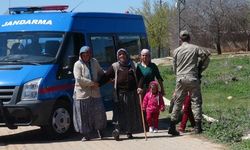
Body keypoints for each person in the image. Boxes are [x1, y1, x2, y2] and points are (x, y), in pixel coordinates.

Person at [168, 30, 210, 136]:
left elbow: (174, 67)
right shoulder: (195, 48)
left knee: (178, 102)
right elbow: (206, 57)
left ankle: (172, 126)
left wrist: (178, 74)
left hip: (180, 79)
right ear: (189, 38)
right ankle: (198, 126)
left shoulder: (176, 51)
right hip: (192, 77)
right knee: (196, 102)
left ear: (180, 39)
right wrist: (200, 68)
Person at [99, 48, 142, 141]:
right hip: (120, 95)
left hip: (132, 94)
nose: (121, 56)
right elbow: (106, 76)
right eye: (120, 55)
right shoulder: (115, 66)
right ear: (118, 56)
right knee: (119, 114)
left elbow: (140, 77)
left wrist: (139, 87)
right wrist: (97, 84)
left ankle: (129, 132)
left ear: (127, 55)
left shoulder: (133, 65)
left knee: (130, 114)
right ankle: (117, 131)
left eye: (123, 54)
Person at [73, 46, 107, 141]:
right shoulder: (77, 64)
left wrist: (108, 76)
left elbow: (100, 72)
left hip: (95, 93)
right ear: (81, 55)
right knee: (84, 116)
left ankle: (101, 131)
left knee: (99, 113)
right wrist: (92, 83)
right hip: (82, 95)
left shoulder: (94, 62)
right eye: (84, 54)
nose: (86, 55)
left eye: (88, 53)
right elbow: (79, 79)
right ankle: (86, 135)